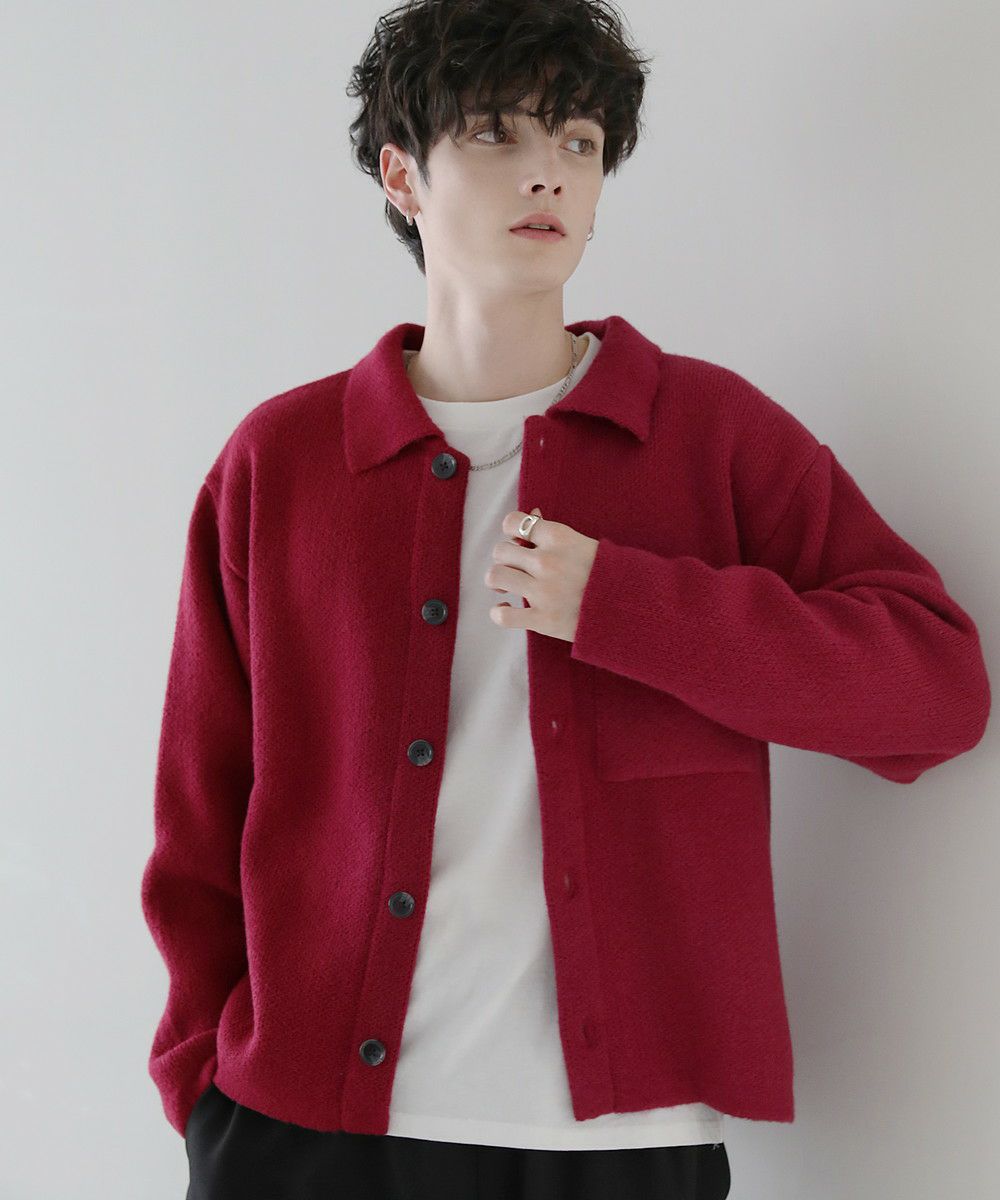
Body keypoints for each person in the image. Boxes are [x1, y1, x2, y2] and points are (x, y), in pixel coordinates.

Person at [142, 2, 990, 1198]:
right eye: (497, 133)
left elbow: (936, 693)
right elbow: (198, 814)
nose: (547, 170)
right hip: (305, 1138)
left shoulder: (705, 435)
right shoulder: (282, 462)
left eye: (578, 141)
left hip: (622, 1154)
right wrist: (199, 1086)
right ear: (401, 175)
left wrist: (626, 608)